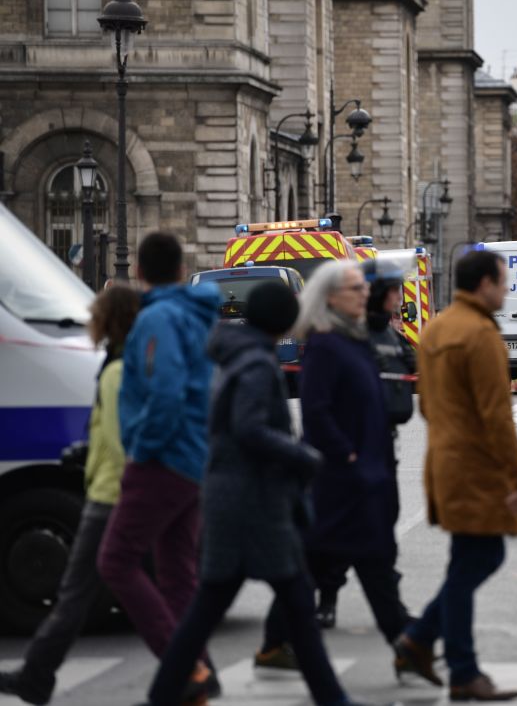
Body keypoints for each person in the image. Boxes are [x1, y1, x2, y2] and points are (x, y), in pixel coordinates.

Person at [141, 282, 368, 706]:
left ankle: (161, 695)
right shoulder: (258, 365)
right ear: (283, 320)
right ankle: (332, 698)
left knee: (224, 606)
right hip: (255, 504)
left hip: (235, 499)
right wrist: (303, 457)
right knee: (292, 602)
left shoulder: (235, 353)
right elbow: (249, 429)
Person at [392, 250, 517, 701]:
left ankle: (422, 643)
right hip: (477, 466)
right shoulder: (481, 335)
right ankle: (459, 667)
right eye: (503, 281)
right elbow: (497, 416)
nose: (507, 289)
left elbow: (429, 406)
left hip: (445, 461)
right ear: (485, 284)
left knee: (470, 560)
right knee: (478, 560)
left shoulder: (436, 329)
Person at [255, 260, 410, 670]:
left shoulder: (358, 338)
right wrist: (349, 455)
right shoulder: (324, 344)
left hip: (364, 471)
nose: (365, 295)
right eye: (356, 289)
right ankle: (407, 643)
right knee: (356, 560)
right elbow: (318, 413)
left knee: (329, 560)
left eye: (365, 288)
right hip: (340, 475)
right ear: (331, 299)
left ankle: (277, 642)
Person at [0, 288, 140, 706]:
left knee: (91, 587)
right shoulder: (126, 362)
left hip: (108, 493)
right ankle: (37, 675)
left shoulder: (115, 370)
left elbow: (117, 440)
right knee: (93, 588)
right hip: (113, 488)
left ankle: (188, 664)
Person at [96, 233, 221, 699]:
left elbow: (164, 392)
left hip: (163, 457)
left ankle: (184, 667)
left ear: (142, 273)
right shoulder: (193, 314)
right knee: (176, 574)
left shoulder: (158, 318)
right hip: (193, 455)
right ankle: (201, 668)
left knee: (116, 560)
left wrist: (141, 449)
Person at [312, 262, 417, 630]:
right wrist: (345, 451)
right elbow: (318, 408)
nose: (395, 298)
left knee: (381, 528)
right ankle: (324, 601)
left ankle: (395, 616)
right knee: (338, 538)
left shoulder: (390, 335)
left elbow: (411, 367)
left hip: (382, 444)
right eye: (390, 291)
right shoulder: (342, 339)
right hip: (350, 451)